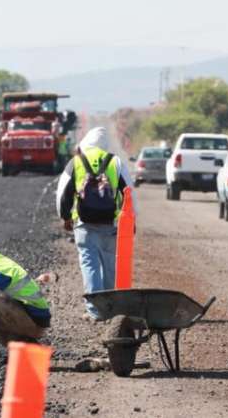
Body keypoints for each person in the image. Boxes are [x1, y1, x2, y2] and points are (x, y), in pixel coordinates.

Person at [55, 127, 136, 321]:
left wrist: (65, 217)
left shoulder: (76, 162)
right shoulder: (115, 162)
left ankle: (94, 311)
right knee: (110, 264)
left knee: (89, 264)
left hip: (84, 223)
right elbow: (128, 192)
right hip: (111, 223)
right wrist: (132, 219)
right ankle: (110, 308)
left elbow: (63, 194)